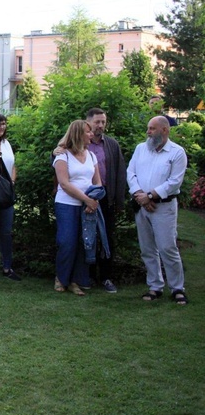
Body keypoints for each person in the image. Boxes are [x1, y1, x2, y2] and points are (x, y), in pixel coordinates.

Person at [127, 116, 188, 305]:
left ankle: (177, 288)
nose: (148, 132)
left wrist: (151, 196)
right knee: (147, 249)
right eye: (148, 128)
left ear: (165, 130)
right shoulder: (140, 149)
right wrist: (140, 194)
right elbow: (131, 172)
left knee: (167, 247)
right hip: (142, 204)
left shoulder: (177, 153)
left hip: (163, 207)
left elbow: (174, 182)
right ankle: (155, 286)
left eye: (152, 129)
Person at [51, 119, 101, 296]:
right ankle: (61, 278)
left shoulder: (92, 156)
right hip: (67, 204)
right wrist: (87, 200)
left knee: (83, 243)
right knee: (67, 242)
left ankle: (75, 281)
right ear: (78, 134)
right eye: (88, 132)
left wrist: (92, 201)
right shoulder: (62, 156)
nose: (91, 134)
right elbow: (64, 184)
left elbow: (97, 182)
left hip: (87, 206)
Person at [85, 107, 126, 292]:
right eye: (97, 122)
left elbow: (120, 173)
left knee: (106, 238)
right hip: (85, 198)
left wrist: (118, 200)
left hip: (106, 198)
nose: (100, 125)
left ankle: (107, 277)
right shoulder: (81, 144)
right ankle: (89, 276)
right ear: (88, 123)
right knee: (88, 237)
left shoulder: (111, 145)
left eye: (103, 122)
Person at [0, 112, 21, 281]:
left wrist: (11, 182)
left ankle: (7, 267)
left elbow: (13, 164)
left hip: (6, 192)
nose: (1, 126)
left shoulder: (6, 143)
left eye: (4, 123)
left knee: (6, 231)